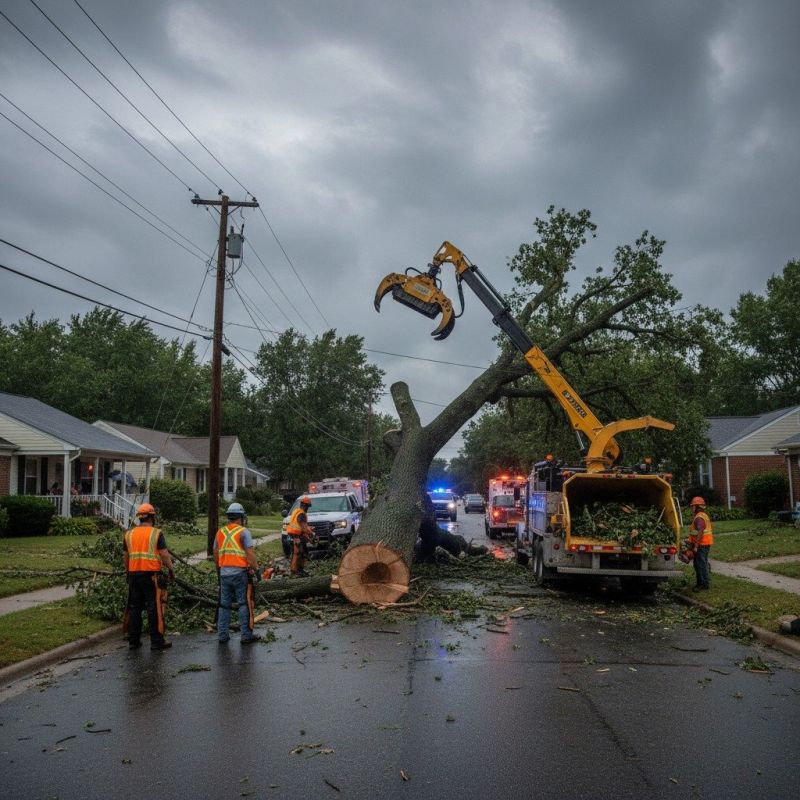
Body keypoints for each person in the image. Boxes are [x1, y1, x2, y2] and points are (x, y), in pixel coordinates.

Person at [123, 503, 174, 650]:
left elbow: (125, 556)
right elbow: (164, 554)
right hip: (151, 576)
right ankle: (157, 642)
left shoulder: (129, 534)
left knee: (135, 607)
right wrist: (171, 569)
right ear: (152, 517)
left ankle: (134, 641)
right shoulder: (156, 533)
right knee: (154, 607)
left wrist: (128, 572)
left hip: (134, 575)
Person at [214, 502, 261, 644]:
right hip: (240, 573)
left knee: (224, 604)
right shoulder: (243, 532)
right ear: (241, 517)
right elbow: (250, 553)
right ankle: (246, 635)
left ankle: (222, 635)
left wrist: (219, 568)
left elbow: (215, 553)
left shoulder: (220, 532)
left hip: (224, 573)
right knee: (243, 603)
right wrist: (257, 570)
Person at [687, 496, 713, 590]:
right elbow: (695, 532)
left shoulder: (699, 518)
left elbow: (700, 531)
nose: (692, 508)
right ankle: (701, 583)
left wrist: (696, 546)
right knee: (701, 563)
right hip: (704, 544)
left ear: (697, 507)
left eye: (693, 506)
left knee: (700, 564)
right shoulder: (703, 515)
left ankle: (703, 584)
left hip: (701, 545)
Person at [286, 496, 314, 576]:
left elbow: (301, 526)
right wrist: (311, 535)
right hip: (296, 536)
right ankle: (295, 571)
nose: (308, 509)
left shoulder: (296, 511)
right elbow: (304, 527)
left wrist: (309, 529)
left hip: (293, 535)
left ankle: (299, 570)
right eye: (308, 506)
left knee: (301, 553)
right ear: (305, 505)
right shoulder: (301, 514)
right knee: (298, 553)